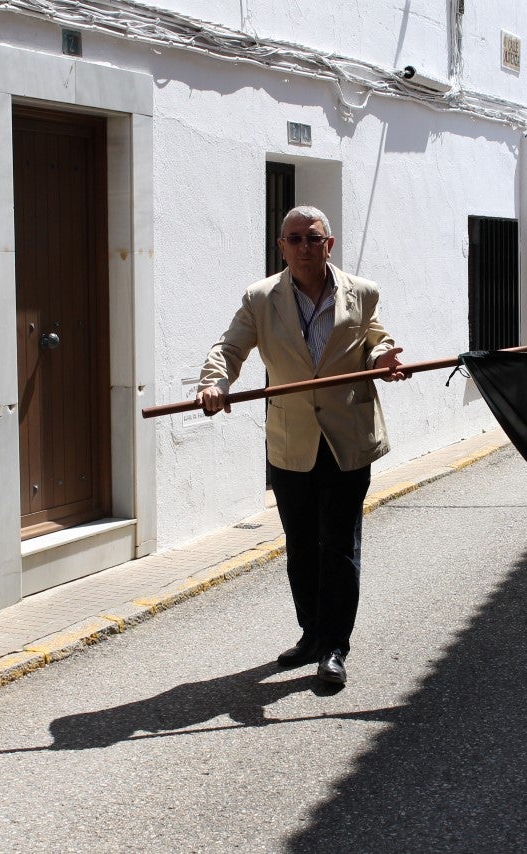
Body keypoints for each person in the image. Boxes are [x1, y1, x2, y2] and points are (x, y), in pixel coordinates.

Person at [197, 205, 407, 686]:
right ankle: (311, 634)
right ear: (282, 246)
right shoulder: (260, 298)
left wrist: (383, 357)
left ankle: (335, 646)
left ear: (329, 244)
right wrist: (216, 384)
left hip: (346, 440)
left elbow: (375, 339)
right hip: (291, 442)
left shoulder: (362, 292)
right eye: (295, 239)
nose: (304, 247)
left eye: (313, 239)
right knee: (300, 548)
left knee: (339, 546)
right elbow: (228, 348)